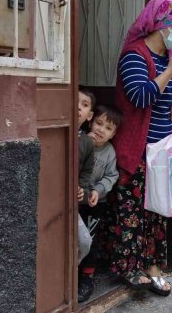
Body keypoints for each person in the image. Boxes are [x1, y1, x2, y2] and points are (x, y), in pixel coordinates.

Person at [108, 0, 172, 296]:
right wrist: (170, 71)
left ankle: (153, 264)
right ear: (162, 24)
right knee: (132, 213)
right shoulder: (135, 55)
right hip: (138, 150)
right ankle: (128, 266)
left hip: (163, 151)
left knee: (157, 213)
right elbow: (140, 96)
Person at [78, 105, 122, 302]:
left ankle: (86, 278)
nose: (101, 129)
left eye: (108, 128)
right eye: (99, 123)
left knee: (91, 240)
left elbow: (112, 175)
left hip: (96, 203)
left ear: (113, 134)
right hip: (76, 200)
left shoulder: (109, 152)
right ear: (91, 120)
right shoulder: (80, 141)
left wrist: (98, 190)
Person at [77, 89, 95, 265]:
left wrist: (82, 189)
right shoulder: (55, 136)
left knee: (84, 242)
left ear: (89, 116)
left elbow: (86, 172)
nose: (78, 107)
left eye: (84, 105)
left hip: (71, 206)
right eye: (75, 101)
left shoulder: (87, 143)